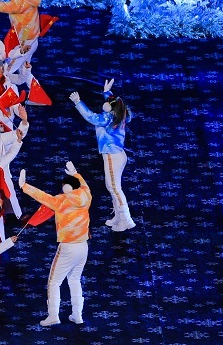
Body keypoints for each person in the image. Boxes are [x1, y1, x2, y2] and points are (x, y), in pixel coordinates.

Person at [17, 161, 91, 326]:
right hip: (83, 246)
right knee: (75, 280)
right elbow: (84, 185)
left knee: (54, 282)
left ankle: (53, 316)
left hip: (68, 247)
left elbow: (42, 196)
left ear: (66, 188)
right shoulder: (87, 195)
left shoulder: (61, 200)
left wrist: (24, 186)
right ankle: (77, 315)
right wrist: (76, 173)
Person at [71, 79, 135, 231]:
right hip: (117, 155)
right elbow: (114, 102)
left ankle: (126, 219)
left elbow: (92, 117)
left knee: (114, 188)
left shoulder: (108, 117)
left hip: (112, 156)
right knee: (111, 186)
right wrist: (107, 93)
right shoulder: (120, 113)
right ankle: (119, 216)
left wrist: (78, 103)